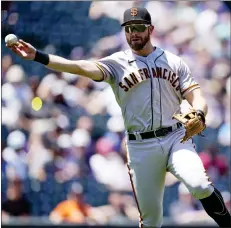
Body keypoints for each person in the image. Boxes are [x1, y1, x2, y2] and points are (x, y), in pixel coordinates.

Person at [7, 7, 231, 228]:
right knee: (151, 221)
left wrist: (199, 112)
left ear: (150, 29)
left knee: (200, 185)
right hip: (141, 147)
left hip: (175, 138)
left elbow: (197, 95)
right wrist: (39, 56)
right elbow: (80, 67)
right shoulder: (117, 63)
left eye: (139, 28)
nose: (133, 33)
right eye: (129, 28)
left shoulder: (173, 62)